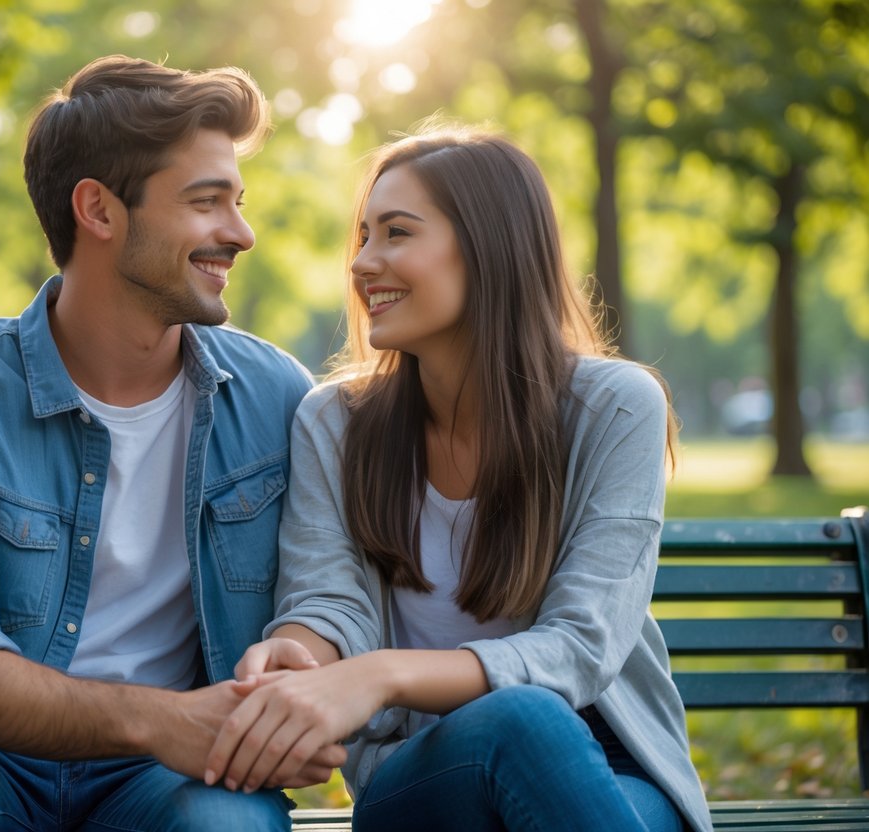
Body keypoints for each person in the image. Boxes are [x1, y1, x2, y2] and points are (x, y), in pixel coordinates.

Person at [0, 55, 338, 831]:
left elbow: (322, 595)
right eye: (206, 202)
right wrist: (161, 720)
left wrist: (298, 660)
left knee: (226, 825)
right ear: (97, 209)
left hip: (173, 775)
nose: (241, 233)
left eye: (238, 202)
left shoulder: (276, 397)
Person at [203, 124, 714, 832]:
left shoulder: (614, 406)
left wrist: (378, 674)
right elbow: (328, 597)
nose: (363, 263)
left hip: (612, 770)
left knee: (530, 721)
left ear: (488, 247)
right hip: (426, 775)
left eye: (396, 233)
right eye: (363, 236)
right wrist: (304, 652)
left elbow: (579, 644)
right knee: (518, 722)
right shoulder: (336, 423)